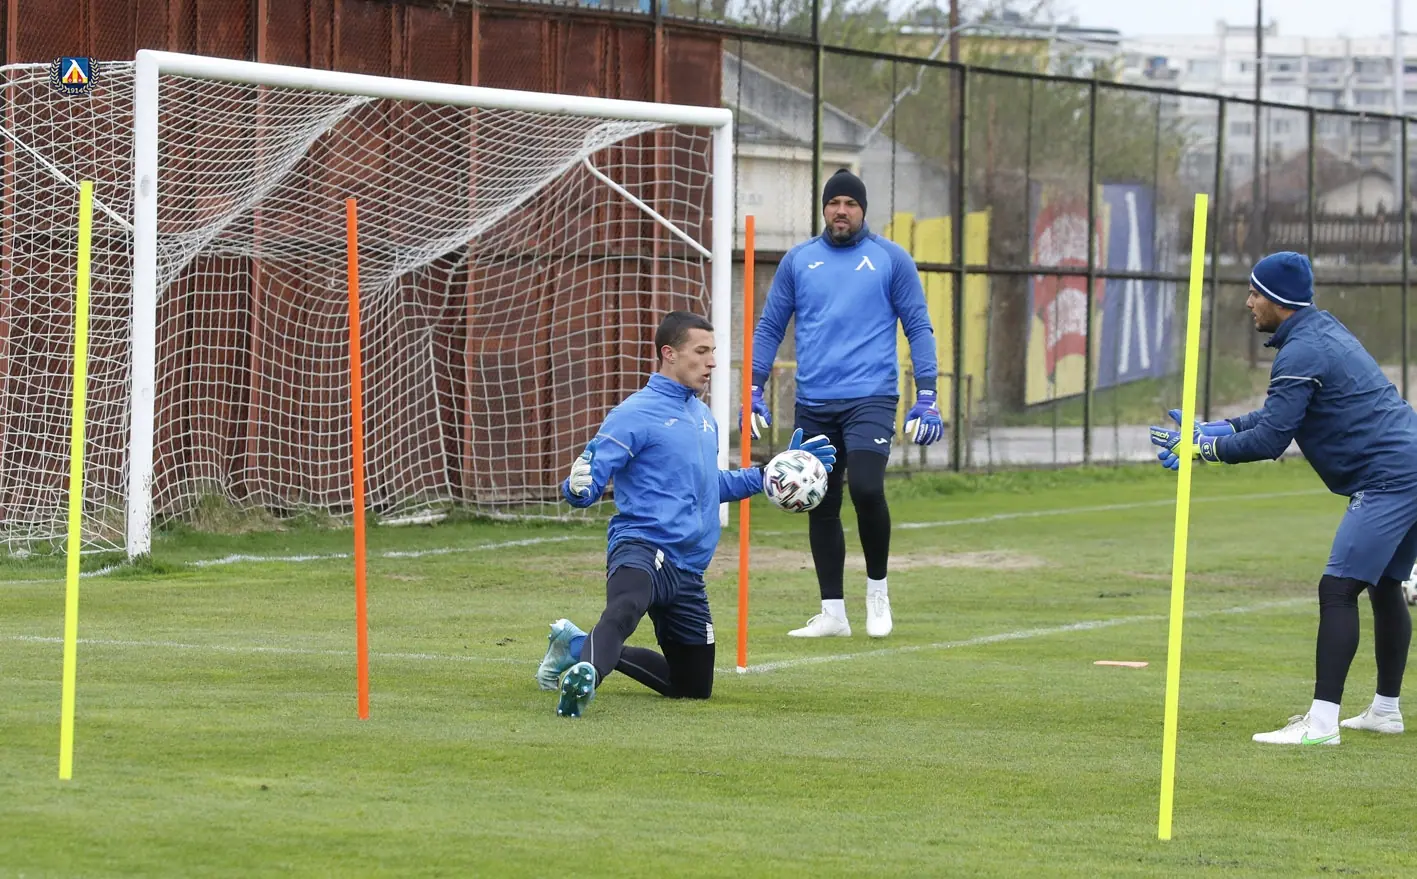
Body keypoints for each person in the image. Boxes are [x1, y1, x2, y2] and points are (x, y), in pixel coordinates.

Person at [1150, 251, 1414, 745]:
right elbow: (1277, 415)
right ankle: (1385, 711)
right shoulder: (1319, 331)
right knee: (1384, 584)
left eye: (1255, 293)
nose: (1248, 302)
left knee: (1338, 589)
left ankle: (1321, 725)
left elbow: (1271, 440)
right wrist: (1215, 429)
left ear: (1278, 300)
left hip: (1391, 477)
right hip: (1408, 465)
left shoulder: (1302, 351)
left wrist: (1202, 449)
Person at [535, 311, 837, 718]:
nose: (712, 362)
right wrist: (577, 489)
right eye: (701, 351)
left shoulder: (703, 417)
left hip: (689, 569)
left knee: (693, 686)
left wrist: (772, 474)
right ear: (670, 354)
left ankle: (575, 645)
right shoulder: (634, 414)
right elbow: (588, 480)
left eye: (713, 352)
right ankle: (586, 679)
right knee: (625, 608)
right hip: (641, 546)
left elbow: (710, 487)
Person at [744, 168, 941, 640]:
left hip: (872, 396)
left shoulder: (891, 259)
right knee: (821, 500)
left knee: (867, 489)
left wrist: (928, 395)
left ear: (863, 210)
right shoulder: (799, 261)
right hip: (814, 400)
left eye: (850, 203)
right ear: (824, 209)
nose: (841, 211)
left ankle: (878, 593)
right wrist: (752, 387)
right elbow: (770, 326)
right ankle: (832, 612)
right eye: (834, 203)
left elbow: (918, 325)